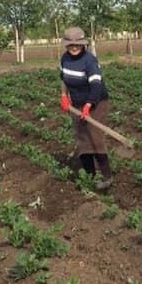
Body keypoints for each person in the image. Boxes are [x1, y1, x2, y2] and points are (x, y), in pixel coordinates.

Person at [59, 27, 113, 191]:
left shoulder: (89, 60)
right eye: (71, 45)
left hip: (96, 103)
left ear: (83, 44)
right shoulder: (65, 59)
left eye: (77, 44)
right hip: (76, 104)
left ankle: (107, 176)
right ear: (66, 45)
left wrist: (89, 105)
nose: (74, 47)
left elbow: (96, 85)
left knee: (95, 138)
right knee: (82, 139)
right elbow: (63, 78)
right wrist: (63, 96)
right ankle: (90, 175)